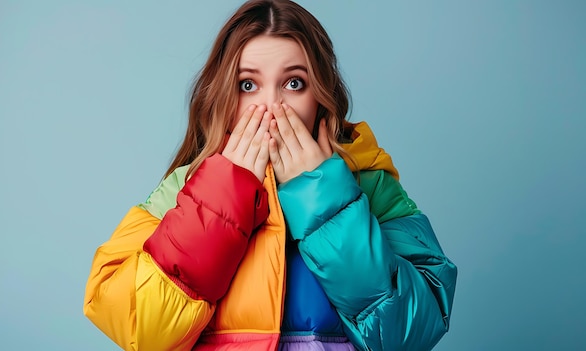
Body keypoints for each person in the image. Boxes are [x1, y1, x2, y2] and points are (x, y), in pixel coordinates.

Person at [83, 0, 457, 350]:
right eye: (248, 85)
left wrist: (325, 200)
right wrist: (218, 202)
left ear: (321, 95)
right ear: (225, 97)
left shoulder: (369, 182)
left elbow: (413, 330)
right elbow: (134, 325)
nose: (271, 107)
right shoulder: (187, 186)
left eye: (294, 83)